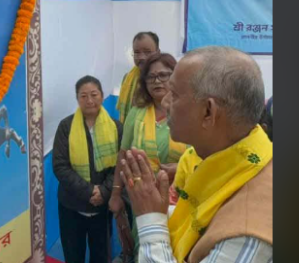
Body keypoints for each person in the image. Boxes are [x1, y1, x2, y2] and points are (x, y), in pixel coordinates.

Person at [121, 46, 273, 263]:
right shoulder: (214, 158)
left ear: (208, 112)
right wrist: (164, 209)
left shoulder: (249, 230)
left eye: (174, 94)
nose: (165, 102)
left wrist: (151, 219)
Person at [109, 53, 190, 257]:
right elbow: (123, 155)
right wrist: (116, 194)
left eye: (164, 75)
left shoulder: (189, 113)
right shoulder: (137, 113)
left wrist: (179, 169)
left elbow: (204, 157)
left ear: (175, 77)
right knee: (145, 250)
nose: (157, 81)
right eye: (151, 77)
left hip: (182, 201)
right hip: (142, 200)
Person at [53, 76, 124, 263]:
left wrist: (104, 191)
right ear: (77, 99)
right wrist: (89, 191)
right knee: (73, 255)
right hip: (71, 205)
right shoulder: (66, 127)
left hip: (102, 206)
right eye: (83, 96)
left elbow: (120, 164)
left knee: (100, 256)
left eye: (94, 94)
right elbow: (60, 166)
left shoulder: (116, 128)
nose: (89, 100)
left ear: (101, 96)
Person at [117, 32, 161, 124]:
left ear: (158, 53)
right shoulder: (127, 78)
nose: (141, 57)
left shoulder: (164, 79)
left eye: (147, 52)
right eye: (137, 52)